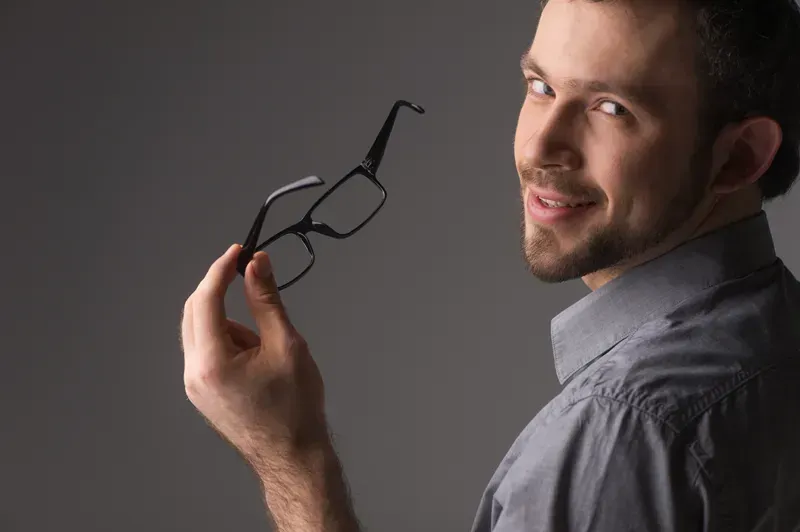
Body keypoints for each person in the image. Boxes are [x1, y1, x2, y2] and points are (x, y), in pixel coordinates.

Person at [179, 0, 800, 530]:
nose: (537, 147)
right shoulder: (775, 339)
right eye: (540, 87)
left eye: (610, 107)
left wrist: (290, 454)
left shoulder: (622, 436)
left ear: (739, 158)